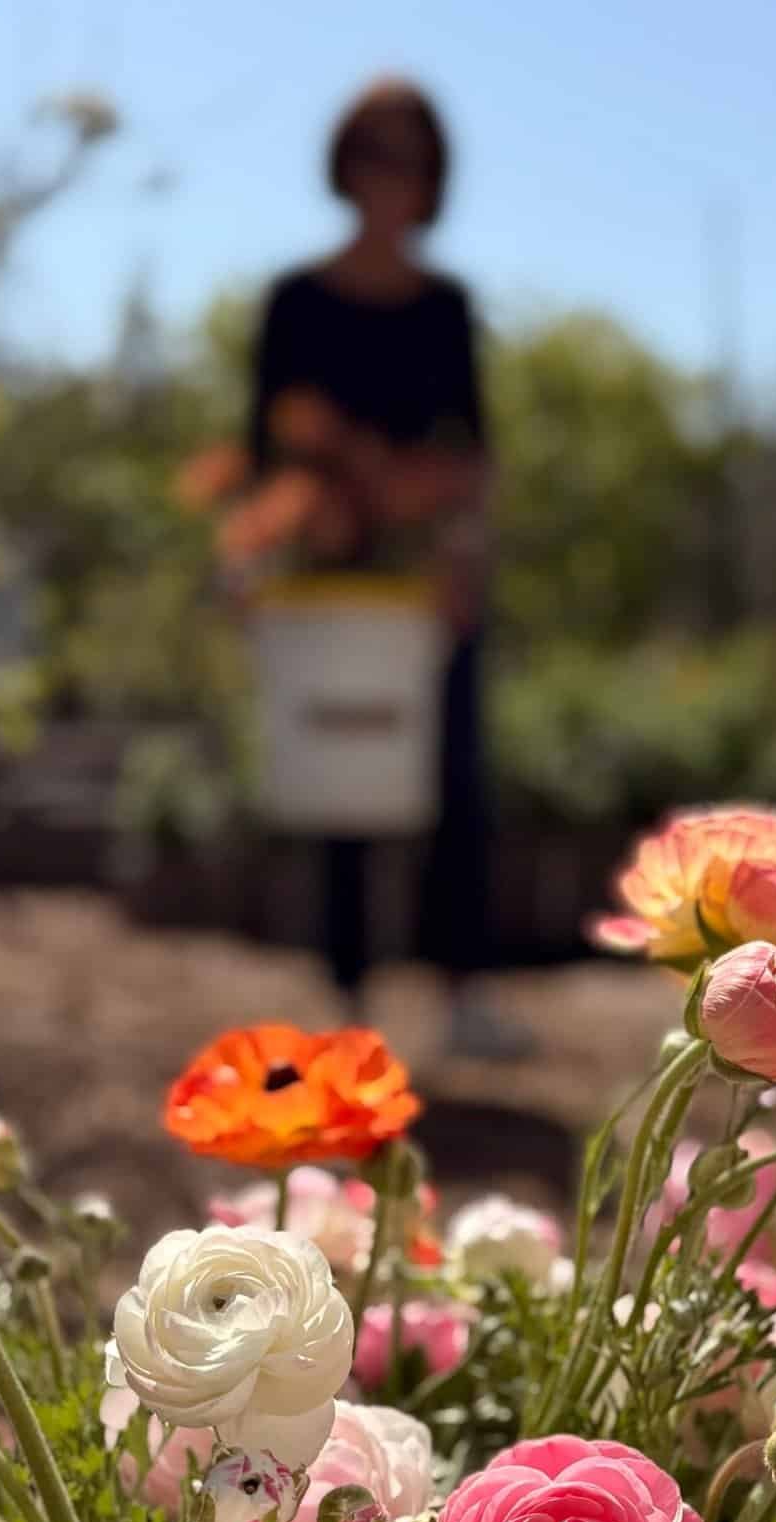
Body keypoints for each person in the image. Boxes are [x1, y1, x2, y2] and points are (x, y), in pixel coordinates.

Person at [248, 76, 528, 1059]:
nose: (385, 176)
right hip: (329, 589)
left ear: (431, 178)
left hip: (427, 586)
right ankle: (342, 1001)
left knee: (454, 777)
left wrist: (451, 547)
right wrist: (304, 522)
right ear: (342, 165)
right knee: (342, 774)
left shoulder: (446, 309)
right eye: (369, 152)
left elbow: (471, 463)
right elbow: (267, 456)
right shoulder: (293, 303)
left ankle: (462, 999)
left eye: (405, 157)